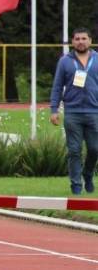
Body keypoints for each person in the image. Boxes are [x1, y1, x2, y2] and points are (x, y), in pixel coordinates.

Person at [50, 27, 98, 195]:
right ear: (73, 41)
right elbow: (57, 87)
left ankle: (88, 174)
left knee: (95, 149)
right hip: (73, 113)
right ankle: (76, 185)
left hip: (94, 112)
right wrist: (54, 109)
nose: (80, 41)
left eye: (84, 38)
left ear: (90, 41)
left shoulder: (97, 59)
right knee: (74, 150)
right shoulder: (65, 61)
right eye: (77, 39)